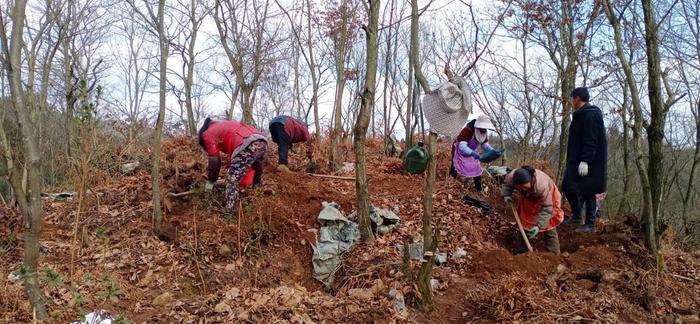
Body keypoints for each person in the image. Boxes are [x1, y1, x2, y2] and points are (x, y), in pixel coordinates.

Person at [198, 117, 268, 217]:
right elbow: (232, 147)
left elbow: (214, 161)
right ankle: (259, 199)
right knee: (257, 171)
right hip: (262, 141)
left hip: (247, 143)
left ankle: (230, 212)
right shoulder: (222, 125)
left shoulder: (207, 133)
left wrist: (210, 182)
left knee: (232, 180)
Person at [561, 87, 608, 233]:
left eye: (572, 99)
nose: (571, 102)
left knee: (589, 191)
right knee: (567, 186)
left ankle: (590, 224)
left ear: (577, 98)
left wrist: (586, 160)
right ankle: (576, 216)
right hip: (576, 160)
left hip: (590, 162)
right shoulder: (581, 114)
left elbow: (591, 140)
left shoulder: (591, 115)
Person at [502, 166, 564, 254]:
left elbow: (547, 208)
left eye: (524, 187)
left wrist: (538, 226)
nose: (522, 189)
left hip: (549, 198)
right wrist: (506, 194)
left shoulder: (541, 186)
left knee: (549, 224)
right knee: (525, 220)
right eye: (519, 188)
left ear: (531, 180)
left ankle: (553, 252)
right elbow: (507, 185)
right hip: (529, 198)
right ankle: (522, 248)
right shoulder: (512, 177)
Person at [450, 115, 497, 192]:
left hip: (470, 151)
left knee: (476, 167)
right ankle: (449, 184)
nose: (484, 129)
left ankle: (479, 189)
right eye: (482, 127)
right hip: (459, 150)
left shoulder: (483, 133)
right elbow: (462, 146)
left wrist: (492, 151)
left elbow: (484, 144)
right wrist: (473, 153)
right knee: (455, 167)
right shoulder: (468, 130)